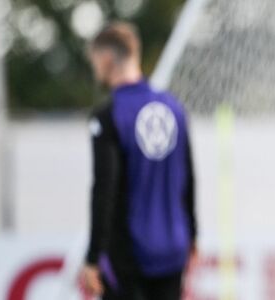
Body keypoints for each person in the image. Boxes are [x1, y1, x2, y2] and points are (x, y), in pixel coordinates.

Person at [79, 22, 197, 300]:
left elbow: (104, 189)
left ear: (107, 58)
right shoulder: (173, 108)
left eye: (95, 61)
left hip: (130, 256)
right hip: (173, 249)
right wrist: (193, 234)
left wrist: (93, 256)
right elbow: (189, 177)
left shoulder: (109, 116)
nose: (96, 69)